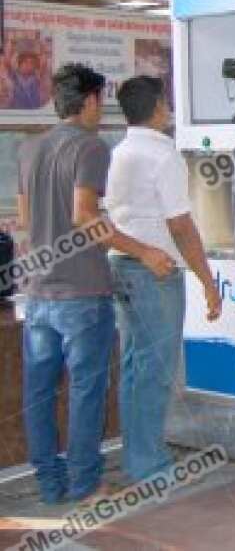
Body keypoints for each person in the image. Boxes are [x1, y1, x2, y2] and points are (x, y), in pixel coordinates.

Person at [16, 64, 175, 505]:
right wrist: (143, 251)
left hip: (38, 292)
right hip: (83, 292)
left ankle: (50, 484)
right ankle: (86, 483)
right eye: (99, 100)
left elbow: (26, 218)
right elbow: (85, 216)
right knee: (86, 391)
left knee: (39, 394)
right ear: (89, 100)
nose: (100, 109)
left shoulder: (29, 149)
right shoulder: (90, 147)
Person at [104, 76, 222, 486]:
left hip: (123, 264)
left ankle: (138, 454)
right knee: (155, 368)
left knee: (134, 366)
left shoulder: (120, 151)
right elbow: (181, 226)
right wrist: (207, 280)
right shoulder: (162, 154)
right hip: (155, 272)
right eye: (165, 102)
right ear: (158, 107)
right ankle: (149, 463)